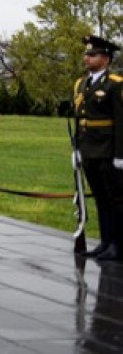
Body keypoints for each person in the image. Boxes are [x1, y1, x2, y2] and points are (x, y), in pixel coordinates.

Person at [74, 35, 123, 261]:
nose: (87, 58)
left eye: (92, 54)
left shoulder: (115, 84)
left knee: (116, 199)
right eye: (86, 54)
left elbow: (120, 121)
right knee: (101, 198)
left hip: (108, 150)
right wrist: (77, 148)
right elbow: (79, 119)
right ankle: (104, 242)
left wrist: (120, 155)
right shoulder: (81, 84)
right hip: (89, 150)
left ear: (105, 58)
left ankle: (117, 244)